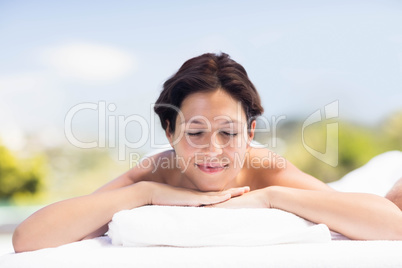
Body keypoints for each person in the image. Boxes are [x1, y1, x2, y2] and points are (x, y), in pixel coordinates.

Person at [12, 52, 402, 253]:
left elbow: (391, 224)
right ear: (169, 131)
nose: (212, 150)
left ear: (250, 133)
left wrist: (270, 198)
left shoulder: (265, 169)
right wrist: (144, 195)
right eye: (195, 132)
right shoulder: (154, 173)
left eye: (228, 133)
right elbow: (29, 238)